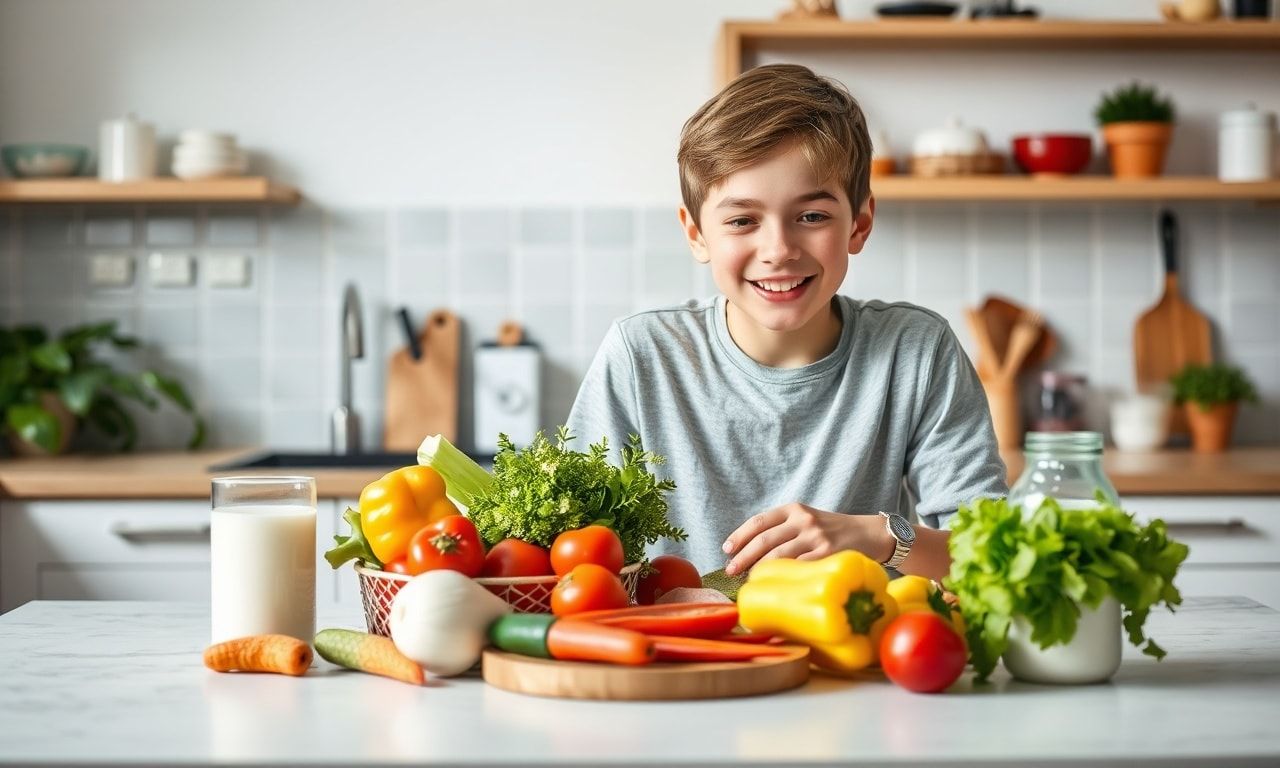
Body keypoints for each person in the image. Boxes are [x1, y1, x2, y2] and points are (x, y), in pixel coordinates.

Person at [565, 63, 1006, 582]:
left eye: (812, 216)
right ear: (697, 234)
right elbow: (574, 556)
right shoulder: (642, 353)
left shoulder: (916, 350)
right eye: (742, 220)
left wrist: (880, 536)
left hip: (861, 635)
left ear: (859, 224)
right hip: (680, 635)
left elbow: (993, 556)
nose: (778, 250)